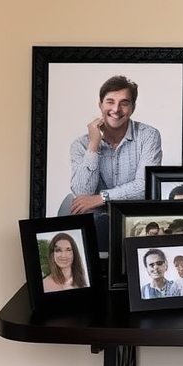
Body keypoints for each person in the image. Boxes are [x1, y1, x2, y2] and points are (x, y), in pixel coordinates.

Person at [60, 76, 162, 247]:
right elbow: (82, 191)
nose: (116, 109)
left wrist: (102, 198)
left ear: (133, 107)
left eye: (124, 103)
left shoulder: (148, 136)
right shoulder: (81, 145)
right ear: (100, 105)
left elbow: (145, 186)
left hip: (134, 222)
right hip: (96, 224)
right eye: (110, 102)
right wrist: (93, 146)